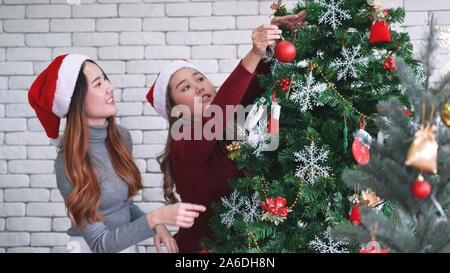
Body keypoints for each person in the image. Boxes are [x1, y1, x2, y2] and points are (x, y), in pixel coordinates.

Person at [145, 12, 307, 252]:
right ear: (173, 110)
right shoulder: (183, 141)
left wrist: (273, 40)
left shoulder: (230, 123)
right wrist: (253, 53)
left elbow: (252, 84)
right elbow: (217, 115)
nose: (199, 87)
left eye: (200, 78)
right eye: (186, 87)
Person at [28, 54, 206, 253]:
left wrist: (157, 226)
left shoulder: (121, 137)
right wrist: (156, 218)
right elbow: (100, 244)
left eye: (105, 78)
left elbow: (123, 206)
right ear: (76, 100)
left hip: (126, 245)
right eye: (98, 84)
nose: (109, 87)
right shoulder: (67, 163)